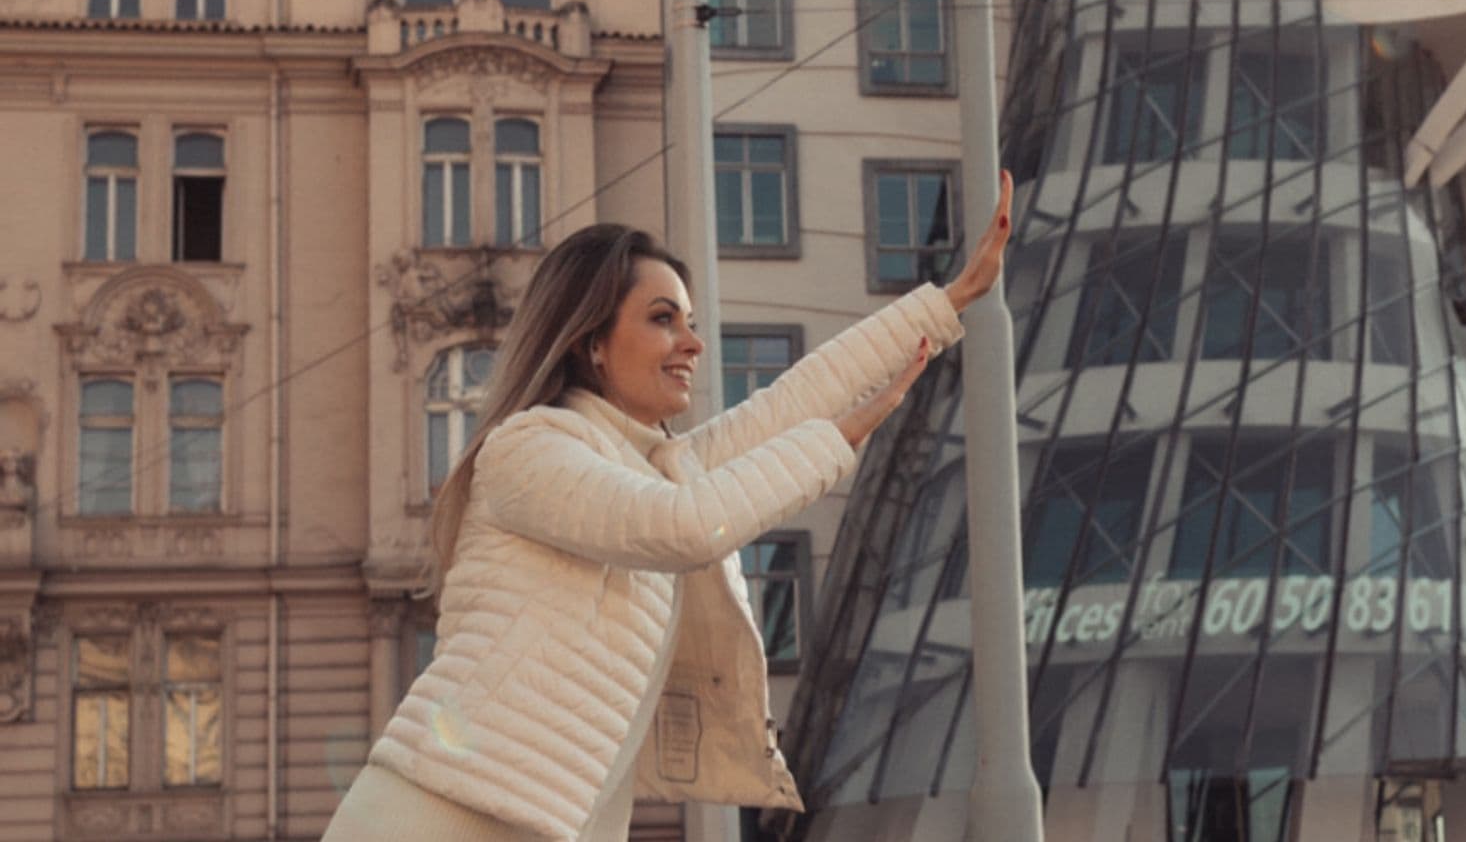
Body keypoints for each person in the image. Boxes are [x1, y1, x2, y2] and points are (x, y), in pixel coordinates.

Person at [321, 172, 1013, 841]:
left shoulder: (649, 467)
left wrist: (946, 303)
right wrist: (836, 442)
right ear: (590, 341)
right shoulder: (527, 450)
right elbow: (684, 530)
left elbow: (785, 407)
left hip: (551, 821)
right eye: (662, 320)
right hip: (443, 815)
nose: (693, 342)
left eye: (689, 320)